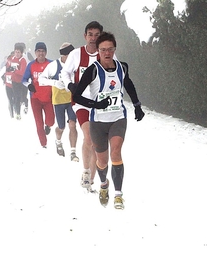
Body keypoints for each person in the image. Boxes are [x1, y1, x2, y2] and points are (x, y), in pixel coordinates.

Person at [73, 32, 145, 209]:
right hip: (97, 122)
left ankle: (119, 195)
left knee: (116, 153)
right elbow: (76, 95)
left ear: (114, 49)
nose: (107, 53)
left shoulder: (123, 67)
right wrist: (96, 104)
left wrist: (137, 105)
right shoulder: (93, 70)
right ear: (97, 51)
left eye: (110, 49)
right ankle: (104, 184)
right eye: (103, 50)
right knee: (102, 161)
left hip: (118, 118)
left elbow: (128, 84)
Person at [61, 21, 107, 190]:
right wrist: (70, 85)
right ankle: (86, 171)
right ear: (85, 36)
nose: (93, 38)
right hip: (80, 102)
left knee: (97, 142)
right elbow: (65, 72)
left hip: (100, 103)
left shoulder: (106, 53)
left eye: (97, 35)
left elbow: (117, 72)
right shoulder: (76, 54)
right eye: (90, 34)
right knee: (89, 137)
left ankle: (91, 179)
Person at [38, 42, 79, 160]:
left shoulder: (76, 64)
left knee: (72, 125)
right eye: (70, 55)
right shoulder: (54, 65)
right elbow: (41, 79)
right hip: (58, 100)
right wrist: (55, 82)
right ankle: (58, 141)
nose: (72, 57)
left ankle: (73, 152)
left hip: (72, 99)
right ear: (64, 55)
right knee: (61, 127)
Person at [21, 42, 55, 148]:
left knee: (51, 120)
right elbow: (24, 80)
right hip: (35, 97)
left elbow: (59, 76)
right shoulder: (31, 65)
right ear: (35, 52)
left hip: (48, 97)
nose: (41, 53)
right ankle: (43, 143)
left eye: (43, 51)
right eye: (39, 51)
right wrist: (29, 85)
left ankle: (48, 126)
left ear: (46, 52)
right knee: (38, 122)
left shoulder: (52, 64)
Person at [7, 43, 27, 120]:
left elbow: (22, 72)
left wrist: (15, 70)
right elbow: (8, 67)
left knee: (22, 97)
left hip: (21, 81)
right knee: (16, 97)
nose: (17, 54)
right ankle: (18, 113)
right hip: (14, 81)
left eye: (18, 52)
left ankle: (25, 105)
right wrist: (8, 69)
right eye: (16, 52)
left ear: (21, 53)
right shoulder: (12, 59)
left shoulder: (22, 60)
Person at [1, 51, 16, 118]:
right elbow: (1, 74)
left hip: (16, 84)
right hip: (8, 85)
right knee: (10, 99)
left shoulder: (18, 63)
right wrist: (4, 79)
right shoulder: (7, 64)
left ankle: (15, 110)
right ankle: (12, 113)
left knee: (15, 99)